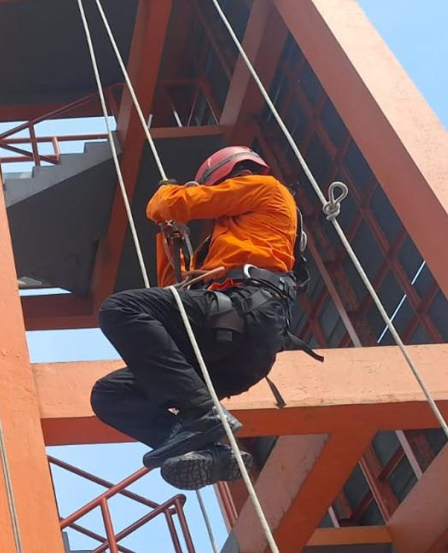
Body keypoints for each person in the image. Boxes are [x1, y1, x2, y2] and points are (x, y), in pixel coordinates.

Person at [91, 146, 300, 490]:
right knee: (110, 395)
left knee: (121, 309)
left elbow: (165, 204)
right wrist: (167, 237)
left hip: (245, 311)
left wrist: (168, 193)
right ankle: (207, 448)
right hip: (232, 347)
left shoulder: (264, 187)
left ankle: (204, 415)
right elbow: (174, 291)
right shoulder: (224, 243)